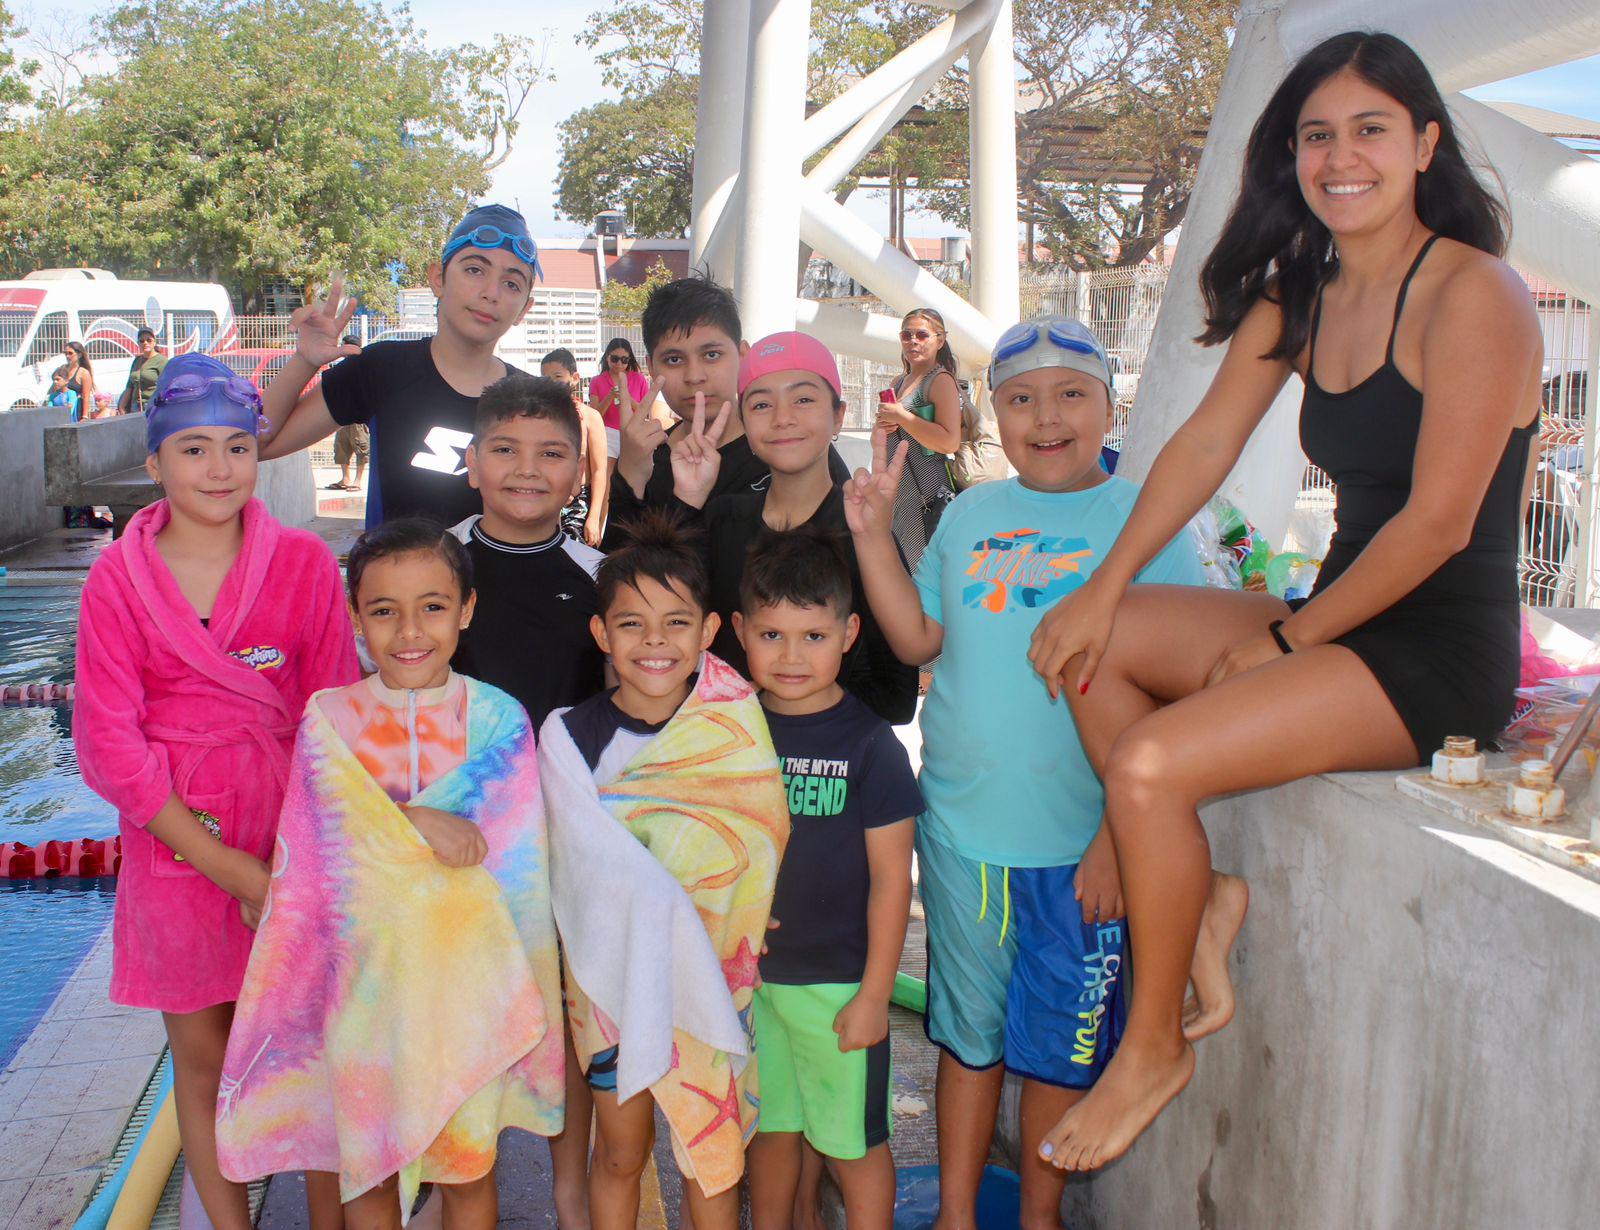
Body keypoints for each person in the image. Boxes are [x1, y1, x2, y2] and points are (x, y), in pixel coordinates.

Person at [1023, 31, 1542, 1173]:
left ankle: (1153, 1046)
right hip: (1337, 613)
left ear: (1424, 145)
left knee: (1150, 765)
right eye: (1316, 134)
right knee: (1086, 650)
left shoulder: (1475, 292)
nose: (1339, 156)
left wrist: (1289, 642)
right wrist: (1102, 587)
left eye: (1368, 129)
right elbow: (1202, 446)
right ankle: (1198, 891)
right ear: (1290, 157)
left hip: (1435, 650)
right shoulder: (1298, 292)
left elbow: (1437, 524)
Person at [844, 318, 1206, 1230]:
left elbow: (1181, 700)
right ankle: (961, 1214)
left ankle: (1039, 1215)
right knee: (969, 1043)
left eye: (1070, 395)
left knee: (1057, 1054)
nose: (1046, 417)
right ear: (993, 416)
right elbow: (918, 638)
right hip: (966, 835)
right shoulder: (971, 515)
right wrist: (871, 538)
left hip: (1088, 854)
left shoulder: (1145, 521)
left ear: (1109, 405)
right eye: (1020, 399)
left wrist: (1119, 841)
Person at [72, 353, 359, 1230]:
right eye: (193, 450)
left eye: (238, 447)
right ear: (154, 463)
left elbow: (333, 716)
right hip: (174, 845)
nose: (220, 469)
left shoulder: (305, 564)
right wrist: (229, 868)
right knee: (201, 1061)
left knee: (309, 1056)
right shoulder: (117, 581)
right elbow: (109, 745)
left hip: (288, 831)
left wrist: (293, 860)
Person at [216, 519, 566, 1230]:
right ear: (355, 619)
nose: (410, 629)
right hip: (364, 993)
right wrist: (415, 825)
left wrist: (391, 828)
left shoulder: (497, 720)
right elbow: (315, 855)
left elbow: (506, 860)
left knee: (466, 1170)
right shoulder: (330, 718)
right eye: (384, 611)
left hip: (465, 990)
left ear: (466, 611)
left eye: (433, 606)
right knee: (368, 1177)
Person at [537, 513, 789, 1230]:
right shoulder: (568, 735)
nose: (654, 643)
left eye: (675, 623)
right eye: (631, 624)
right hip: (608, 983)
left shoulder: (734, 720)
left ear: (709, 631)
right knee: (621, 1149)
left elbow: (760, 828)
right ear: (600, 635)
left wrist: (744, 901)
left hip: (714, 966)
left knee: (709, 1150)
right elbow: (574, 864)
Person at [735, 525, 920, 1230]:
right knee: (772, 1130)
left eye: (812, 636)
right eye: (772, 634)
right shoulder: (734, 731)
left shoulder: (871, 746)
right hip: (754, 981)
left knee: (853, 1144)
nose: (790, 656)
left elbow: (892, 883)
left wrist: (876, 994)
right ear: (744, 633)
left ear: (848, 632)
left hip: (839, 986)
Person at [666, 332, 918, 726]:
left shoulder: (863, 531)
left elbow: (895, 698)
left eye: (803, 399)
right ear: (745, 424)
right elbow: (663, 628)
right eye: (762, 404)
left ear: (839, 416)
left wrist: (771, 702)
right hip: (723, 763)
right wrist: (687, 499)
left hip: (823, 773)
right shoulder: (720, 519)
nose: (783, 418)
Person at [259, 203, 540, 527]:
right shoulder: (381, 370)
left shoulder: (532, 402)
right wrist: (304, 362)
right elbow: (257, 443)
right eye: (475, 270)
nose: (491, 293)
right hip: (390, 577)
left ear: (524, 309)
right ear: (438, 278)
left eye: (512, 284)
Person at [608, 277, 850, 546]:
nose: (694, 376)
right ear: (652, 368)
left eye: (711, 355)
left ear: (742, 355)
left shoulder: (789, 447)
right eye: (674, 360)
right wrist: (628, 477)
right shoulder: (646, 458)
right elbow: (616, 578)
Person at [877, 308, 960, 570]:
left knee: (925, 573)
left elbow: (949, 442)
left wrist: (903, 418)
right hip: (899, 493)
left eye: (922, 335)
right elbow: (878, 440)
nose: (913, 341)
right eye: (906, 335)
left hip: (927, 491)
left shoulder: (941, 380)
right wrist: (883, 426)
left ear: (940, 340)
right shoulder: (898, 381)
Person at [542, 347, 611, 547]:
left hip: (579, 505)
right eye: (545, 378)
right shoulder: (537, 419)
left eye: (557, 376)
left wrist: (594, 517)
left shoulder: (590, 416)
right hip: (547, 500)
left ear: (575, 378)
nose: (551, 383)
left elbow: (599, 470)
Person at [588, 336, 651, 455]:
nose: (619, 363)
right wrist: (610, 397)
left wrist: (627, 398)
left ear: (629, 359)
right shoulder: (597, 381)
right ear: (607, 357)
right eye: (615, 359)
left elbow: (645, 412)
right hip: (607, 434)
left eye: (624, 360)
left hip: (633, 433)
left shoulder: (639, 379)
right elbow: (594, 416)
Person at [327, 333, 371, 493]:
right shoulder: (342, 366)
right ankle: (345, 479)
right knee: (341, 446)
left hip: (358, 416)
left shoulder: (363, 365)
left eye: (343, 345)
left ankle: (357, 481)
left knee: (360, 446)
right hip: (342, 415)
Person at [118, 326, 168, 415]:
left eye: (149, 340)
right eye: (142, 341)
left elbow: (166, 385)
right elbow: (130, 385)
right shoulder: (137, 360)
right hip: (136, 406)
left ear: (154, 342)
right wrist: (122, 406)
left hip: (153, 406)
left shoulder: (162, 361)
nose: (145, 343)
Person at [60, 341, 96, 416]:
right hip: (61, 407)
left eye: (70, 353)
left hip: (76, 410)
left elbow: (86, 397)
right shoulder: (62, 369)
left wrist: (85, 416)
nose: (67, 356)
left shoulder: (83, 373)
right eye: (65, 353)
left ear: (79, 354)